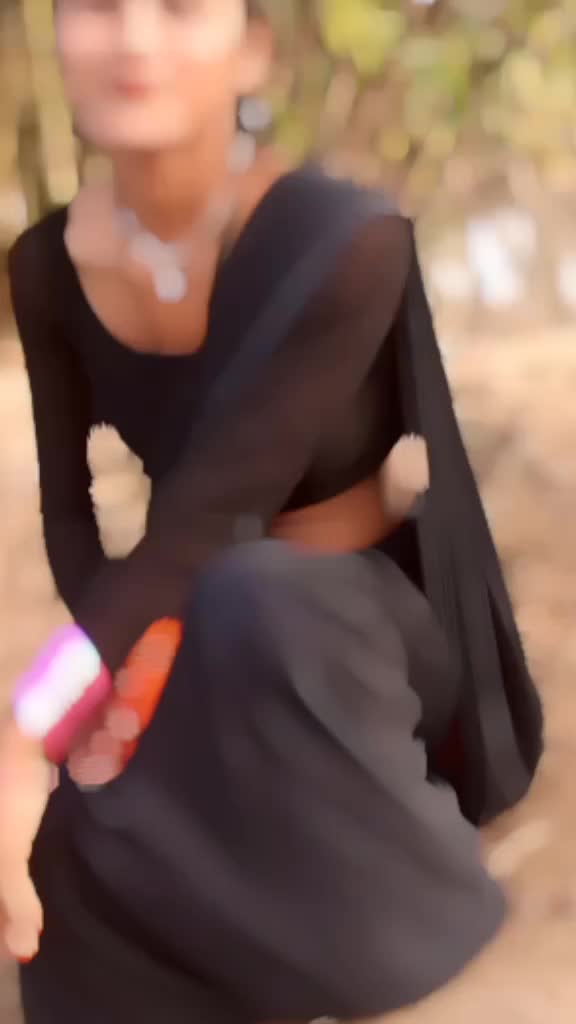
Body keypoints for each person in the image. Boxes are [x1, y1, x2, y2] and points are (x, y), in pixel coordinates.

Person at [2, 0, 543, 1021]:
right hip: (178, 617)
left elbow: (212, 514)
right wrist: (99, 702)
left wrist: (35, 719)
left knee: (255, 600)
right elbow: (70, 514)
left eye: (179, 7)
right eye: (98, 5)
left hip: (352, 628)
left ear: (252, 50)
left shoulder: (346, 241)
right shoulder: (46, 263)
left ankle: (404, 948)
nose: (134, 38)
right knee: (76, 841)